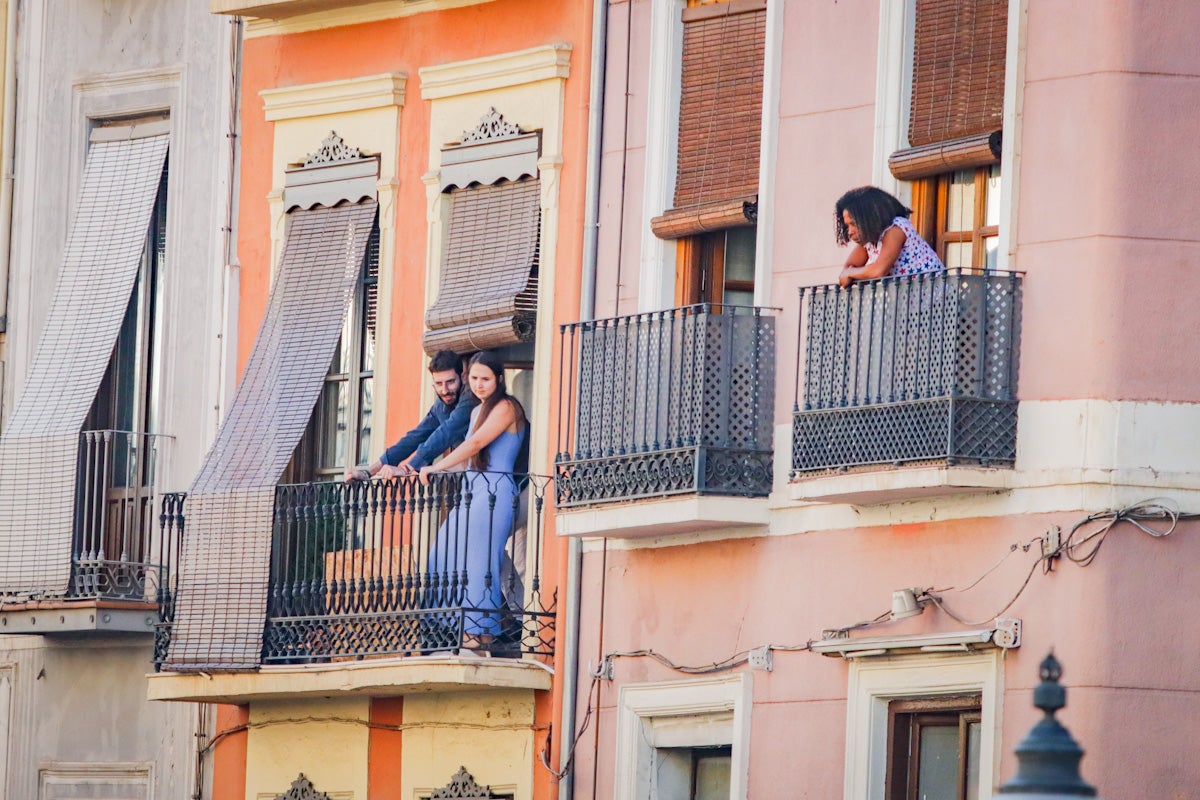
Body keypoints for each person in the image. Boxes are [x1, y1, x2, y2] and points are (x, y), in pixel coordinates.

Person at [418, 350, 527, 653]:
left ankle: (481, 636)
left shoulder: (507, 407)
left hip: (495, 493)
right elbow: (467, 461)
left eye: (486, 379)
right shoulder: (477, 411)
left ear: (499, 379)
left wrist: (435, 465)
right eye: (475, 379)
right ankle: (466, 631)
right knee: (442, 554)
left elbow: (475, 444)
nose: (479, 384)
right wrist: (415, 469)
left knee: (481, 565)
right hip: (472, 490)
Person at [344, 349, 478, 482]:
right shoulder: (440, 406)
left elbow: (447, 432)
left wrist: (408, 468)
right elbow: (414, 437)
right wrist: (368, 472)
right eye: (438, 384)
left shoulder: (471, 397)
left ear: (463, 377)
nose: (444, 390)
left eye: (450, 382)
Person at [834, 186, 944, 287]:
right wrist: (852, 273)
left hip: (935, 298)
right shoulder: (870, 239)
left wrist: (851, 273)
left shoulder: (896, 228)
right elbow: (846, 271)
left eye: (853, 224)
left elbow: (878, 271)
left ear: (869, 218)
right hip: (909, 301)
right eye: (847, 226)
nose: (850, 231)